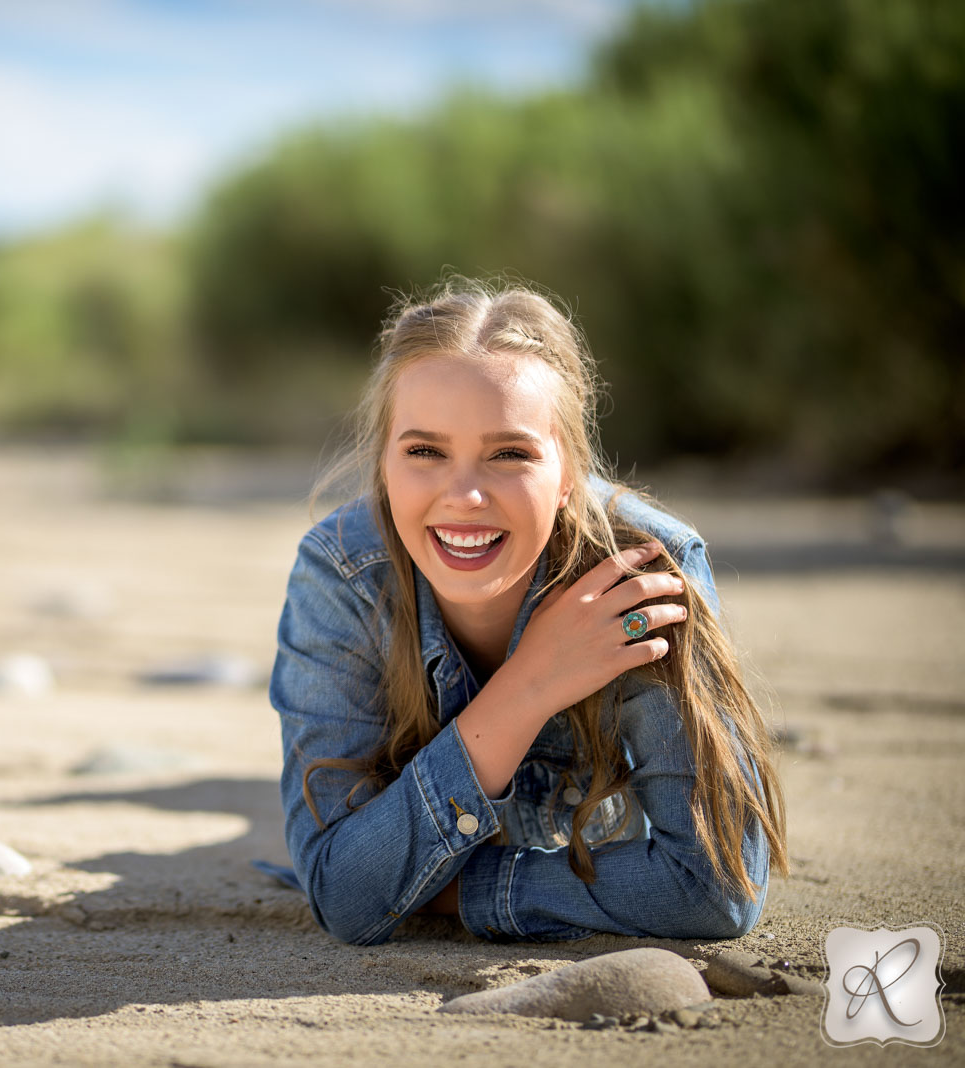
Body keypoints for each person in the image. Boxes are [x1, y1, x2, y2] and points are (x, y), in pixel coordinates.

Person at [269, 280, 788, 945]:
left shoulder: (642, 573)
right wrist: (531, 683)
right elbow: (344, 891)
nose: (465, 497)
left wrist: (461, 890)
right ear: (383, 467)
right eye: (424, 452)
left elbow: (715, 889)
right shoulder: (345, 573)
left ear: (568, 471)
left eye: (509, 453)